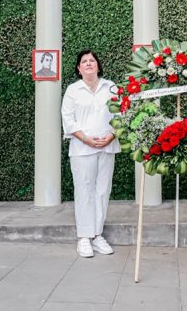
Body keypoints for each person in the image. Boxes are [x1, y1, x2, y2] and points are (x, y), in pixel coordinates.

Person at [61, 50, 121, 258]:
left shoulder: (111, 87)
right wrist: (86, 139)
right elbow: (68, 120)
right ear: (78, 68)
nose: (88, 64)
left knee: (102, 190)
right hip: (82, 148)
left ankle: (97, 235)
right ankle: (84, 238)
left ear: (98, 65)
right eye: (84, 61)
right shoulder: (73, 90)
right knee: (84, 191)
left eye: (92, 61)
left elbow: (121, 114)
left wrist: (112, 136)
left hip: (107, 146)